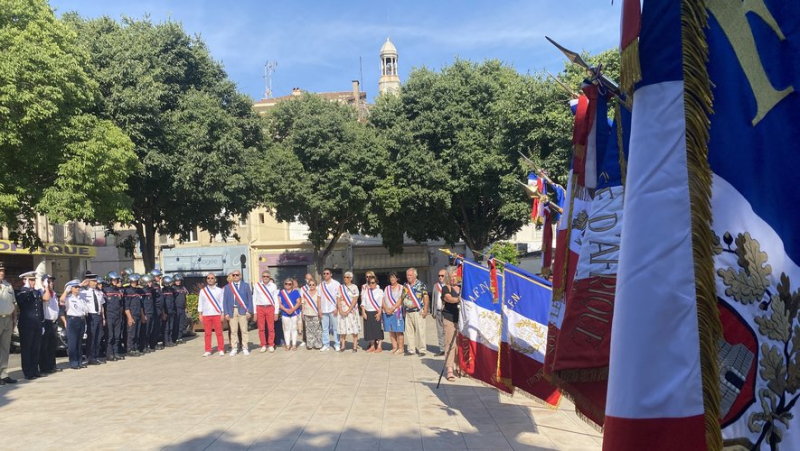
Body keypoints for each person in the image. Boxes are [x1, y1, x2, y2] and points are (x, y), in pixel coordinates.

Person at [16, 270, 47, 379]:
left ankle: (35, 369)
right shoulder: (21, 291)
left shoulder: (37, 292)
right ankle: (28, 372)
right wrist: (27, 288)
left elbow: (39, 308)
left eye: (34, 280)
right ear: (25, 280)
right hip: (26, 324)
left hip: (37, 323)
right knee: (27, 348)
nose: (33, 282)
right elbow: (20, 301)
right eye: (31, 280)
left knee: (35, 348)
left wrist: (42, 322)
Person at [223, 269, 253, 356]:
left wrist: (249, 311)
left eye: (237, 275)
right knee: (233, 331)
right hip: (232, 310)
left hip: (243, 310)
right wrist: (226, 313)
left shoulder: (246, 286)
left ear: (240, 276)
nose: (235, 276)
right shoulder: (228, 287)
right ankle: (234, 348)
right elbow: (225, 301)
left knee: (244, 330)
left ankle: (245, 347)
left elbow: (250, 299)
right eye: (234, 275)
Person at [401, 267, 429, 356]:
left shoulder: (421, 284)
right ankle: (411, 350)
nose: (408, 277)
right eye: (407, 275)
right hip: (408, 311)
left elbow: (425, 297)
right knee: (409, 332)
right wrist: (403, 309)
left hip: (418, 311)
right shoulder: (405, 286)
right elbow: (403, 298)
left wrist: (425, 310)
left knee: (420, 331)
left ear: (415, 275)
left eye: (410, 275)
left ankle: (422, 350)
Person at [80, 270, 105, 365]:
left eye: (96, 281)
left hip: (98, 316)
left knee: (98, 337)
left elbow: (101, 305)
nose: (95, 283)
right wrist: (82, 284)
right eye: (93, 281)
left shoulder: (99, 293)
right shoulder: (83, 292)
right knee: (92, 337)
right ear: (88, 282)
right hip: (90, 316)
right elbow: (72, 293)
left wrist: (103, 318)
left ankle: (95, 356)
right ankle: (90, 357)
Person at [198, 273, 225, 357]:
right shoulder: (203, 291)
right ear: (206, 280)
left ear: (215, 279)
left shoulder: (219, 290)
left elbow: (222, 303)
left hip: (217, 314)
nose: (210, 279)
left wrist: (222, 313)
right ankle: (208, 350)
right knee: (207, 333)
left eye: (212, 278)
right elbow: (200, 303)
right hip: (206, 315)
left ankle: (221, 349)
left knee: (219, 333)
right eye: (208, 278)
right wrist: (200, 314)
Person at [63, 279, 87, 370]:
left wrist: (81, 285)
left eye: (78, 287)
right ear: (71, 288)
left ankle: (79, 361)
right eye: (75, 287)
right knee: (73, 342)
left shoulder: (80, 298)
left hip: (81, 320)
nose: (78, 288)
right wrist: (66, 290)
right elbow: (61, 300)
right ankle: (73, 362)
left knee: (79, 342)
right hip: (72, 320)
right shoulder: (68, 298)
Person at [442, 270, 462, 381]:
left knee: (460, 344)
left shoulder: (463, 288)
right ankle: (450, 369)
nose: (453, 278)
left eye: (455, 276)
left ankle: (460, 366)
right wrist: (459, 300)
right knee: (450, 343)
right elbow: (448, 298)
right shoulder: (446, 288)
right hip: (449, 318)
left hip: (462, 320)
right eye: (451, 276)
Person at [0, 263, 17, 385]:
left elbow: (14, 303)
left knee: (5, 348)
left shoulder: (8, 286)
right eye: (0, 271)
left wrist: (14, 318)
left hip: (7, 319)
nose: (2, 273)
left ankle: (4, 374)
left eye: (3, 271)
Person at [39, 274, 60, 374]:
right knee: (45, 346)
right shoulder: (42, 291)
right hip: (46, 322)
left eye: (52, 282)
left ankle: (52, 365)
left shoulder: (54, 293)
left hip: (53, 322)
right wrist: (46, 286)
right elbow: (46, 298)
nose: (51, 283)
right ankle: (44, 367)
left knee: (52, 345)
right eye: (49, 281)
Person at [253, 270, 278, 353]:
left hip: (270, 307)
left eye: (267, 276)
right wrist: (254, 312)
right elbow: (254, 298)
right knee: (261, 328)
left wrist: (276, 312)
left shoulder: (273, 286)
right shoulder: (257, 285)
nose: (265, 278)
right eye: (264, 276)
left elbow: (275, 299)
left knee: (271, 328)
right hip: (260, 308)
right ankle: (263, 344)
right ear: (262, 277)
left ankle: (271, 344)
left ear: (270, 277)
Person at [103, 272, 125, 361]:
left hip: (117, 315)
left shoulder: (118, 290)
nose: (115, 281)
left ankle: (116, 352)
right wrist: (104, 318)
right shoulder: (105, 290)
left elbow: (120, 305)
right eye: (114, 280)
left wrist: (120, 316)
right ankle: (109, 354)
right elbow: (103, 305)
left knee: (117, 335)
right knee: (110, 336)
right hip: (109, 315)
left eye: (116, 280)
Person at [318, 268, 341, 352]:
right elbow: (319, 297)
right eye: (324, 273)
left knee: (336, 328)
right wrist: (319, 309)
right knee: (324, 328)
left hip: (333, 309)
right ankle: (326, 344)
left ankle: (337, 344)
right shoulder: (321, 285)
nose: (325, 275)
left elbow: (339, 297)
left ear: (331, 274)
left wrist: (337, 308)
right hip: (324, 309)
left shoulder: (336, 284)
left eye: (327, 273)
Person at [337, 271, 360, 352]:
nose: (345, 279)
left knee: (354, 328)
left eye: (347, 277)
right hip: (342, 310)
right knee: (342, 328)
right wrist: (340, 309)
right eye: (344, 277)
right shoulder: (340, 287)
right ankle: (343, 346)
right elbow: (338, 299)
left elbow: (355, 299)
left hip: (351, 310)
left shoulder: (354, 287)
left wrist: (348, 310)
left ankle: (354, 346)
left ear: (351, 278)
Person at [382, 272, 405, 355]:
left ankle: (401, 348)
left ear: (397, 278)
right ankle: (394, 347)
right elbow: (383, 299)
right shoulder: (387, 288)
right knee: (391, 330)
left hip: (397, 311)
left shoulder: (401, 287)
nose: (392, 279)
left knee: (399, 330)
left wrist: (393, 308)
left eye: (394, 277)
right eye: (391, 277)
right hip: (387, 312)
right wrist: (385, 308)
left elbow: (400, 299)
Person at [361, 276, 384, 353]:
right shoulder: (366, 291)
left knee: (377, 329)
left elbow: (381, 303)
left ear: (376, 282)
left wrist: (379, 313)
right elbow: (363, 302)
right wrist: (363, 312)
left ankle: (379, 346)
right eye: (369, 283)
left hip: (376, 312)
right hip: (368, 312)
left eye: (373, 282)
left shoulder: (380, 291)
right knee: (370, 330)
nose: (371, 284)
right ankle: (372, 346)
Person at [124, 274, 144, 357]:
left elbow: (141, 306)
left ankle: (135, 348)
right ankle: (130, 349)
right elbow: (126, 307)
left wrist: (142, 316)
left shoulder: (138, 291)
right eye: (132, 282)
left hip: (138, 314)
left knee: (137, 333)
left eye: (135, 282)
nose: (134, 283)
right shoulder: (127, 291)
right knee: (131, 333)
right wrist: (129, 318)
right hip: (132, 315)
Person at [278, 279, 301, 351]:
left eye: (289, 284)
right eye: (286, 284)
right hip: (285, 313)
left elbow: (298, 302)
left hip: (294, 313)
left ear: (292, 285)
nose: (288, 285)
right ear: (284, 284)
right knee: (286, 329)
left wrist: (292, 310)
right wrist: (285, 310)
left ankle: (294, 344)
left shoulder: (296, 292)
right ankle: (287, 344)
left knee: (294, 329)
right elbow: (279, 303)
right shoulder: (281, 293)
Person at [300, 279, 322, 350]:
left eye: (313, 284)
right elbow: (303, 303)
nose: (311, 286)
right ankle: (310, 344)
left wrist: (320, 312)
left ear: (316, 285)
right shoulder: (305, 293)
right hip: (307, 313)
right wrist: (302, 312)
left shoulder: (318, 293)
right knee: (308, 330)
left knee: (317, 329)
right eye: (310, 285)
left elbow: (320, 303)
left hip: (315, 313)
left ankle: (317, 344)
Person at [431, 268, 447, 356]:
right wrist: (433, 311)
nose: (440, 277)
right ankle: (442, 349)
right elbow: (433, 298)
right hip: (438, 311)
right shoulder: (435, 286)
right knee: (440, 330)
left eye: (442, 276)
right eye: (439, 276)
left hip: (446, 312)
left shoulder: (449, 285)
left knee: (447, 330)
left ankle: (448, 348)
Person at [149, 269, 165, 350]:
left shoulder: (157, 286)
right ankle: (152, 344)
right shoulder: (152, 286)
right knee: (153, 327)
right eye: (159, 276)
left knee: (157, 328)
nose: (160, 278)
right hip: (154, 309)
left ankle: (155, 343)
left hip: (159, 309)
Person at [140, 274, 155, 353]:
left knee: (150, 330)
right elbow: (141, 305)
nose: (150, 283)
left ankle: (148, 344)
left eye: (151, 282)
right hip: (146, 313)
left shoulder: (150, 291)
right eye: (149, 282)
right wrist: (144, 315)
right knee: (145, 331)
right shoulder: (143, 291)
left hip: (151, 312)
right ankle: (144, 346)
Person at [172, 274, 189, 343]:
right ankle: (175, 338)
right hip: (176, 308)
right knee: (176, 324)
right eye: (177, 281)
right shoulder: (173, 288)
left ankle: (179, 337)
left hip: (182, 308)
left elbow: (185, 298)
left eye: (179, 280)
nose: (178, 282)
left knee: (181, 324)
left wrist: (186, 307)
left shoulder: (183, 288)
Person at [161, 276, 176, 347]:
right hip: (166, 312)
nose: (171, 284)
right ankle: (166, 341)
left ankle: (170, 340)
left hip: (171, 311)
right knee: (166, 328)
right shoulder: (163, 291)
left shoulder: (171, 290)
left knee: (171, 327)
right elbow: (162, 303)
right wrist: (163, 313)